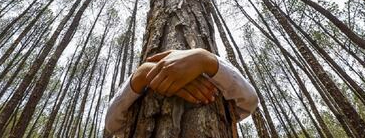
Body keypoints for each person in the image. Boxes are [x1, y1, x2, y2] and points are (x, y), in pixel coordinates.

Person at [105, 48, 259, 135]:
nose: (170, 67)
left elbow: (248, 101)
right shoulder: (140, 90)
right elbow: (112, 124)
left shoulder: (216, 79)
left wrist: (205, 59)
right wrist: (141, 74)